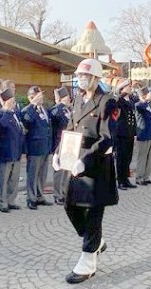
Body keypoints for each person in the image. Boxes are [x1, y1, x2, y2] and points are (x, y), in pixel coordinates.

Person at [51, 58, 117, 284]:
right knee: (70, 206)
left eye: (85, 76)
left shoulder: (108, 102)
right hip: (76, 162)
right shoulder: (79, 98)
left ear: (96, 78)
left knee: (93, 214)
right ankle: (96, 241)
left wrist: (86, 160)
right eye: (78, 76)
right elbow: (70, 129)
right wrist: (59, 152)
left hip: (97, 166)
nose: (80, 79)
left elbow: (107, 139)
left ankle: (88, 261)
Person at [0, 87, 26, 212]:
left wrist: (23, 151)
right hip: (5, 153)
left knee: (14, 179)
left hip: (16, 152)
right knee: (3, 179)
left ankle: (11, 200)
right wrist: (6, 109)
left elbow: (20, 133)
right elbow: (2, 126)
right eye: (11, 100)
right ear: (5, 101)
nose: (14, 102)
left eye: (14, 100)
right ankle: (2, 203)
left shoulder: (15, 114)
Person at [22, 86, 53, 209]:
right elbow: (27, 123)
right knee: (33, 174)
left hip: (45, 146)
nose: (42, 97)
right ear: (31, 97)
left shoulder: (44, 110)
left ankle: (40, 196)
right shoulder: (27, 110)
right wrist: (33, 105)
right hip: (34, 148)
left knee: (42, 174)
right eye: (38, 95)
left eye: (41, 95)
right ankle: (31, 198)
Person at [113, 79, 137, 190]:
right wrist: (119, 90)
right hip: (121, 132)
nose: (130, 88)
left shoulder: (131, 99)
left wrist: (135, 132)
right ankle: (121, 180)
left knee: (128, 157)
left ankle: (126, 178)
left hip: (130, 132)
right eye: (128, 86)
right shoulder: (119, 100)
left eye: (130, 86)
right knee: (121, 157)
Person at [51, 87, 72, 205]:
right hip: (59, 142)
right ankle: (58, 194)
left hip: (69, 142)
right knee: (59, 170)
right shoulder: (57, 110)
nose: (69, 98)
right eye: (67, 96)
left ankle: (64, 192)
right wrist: (59, 104)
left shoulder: (68, 109)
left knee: (67, 169)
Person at [134, 86, 151, 185]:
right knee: (142, 157)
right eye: (149, 93)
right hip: (143, 135)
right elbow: (140, 108)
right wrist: (144, 99)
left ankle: (146, 177)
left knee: (150, 157)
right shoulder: (139, 105)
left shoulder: (149, 105)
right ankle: (139, 177)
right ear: (144, 95)